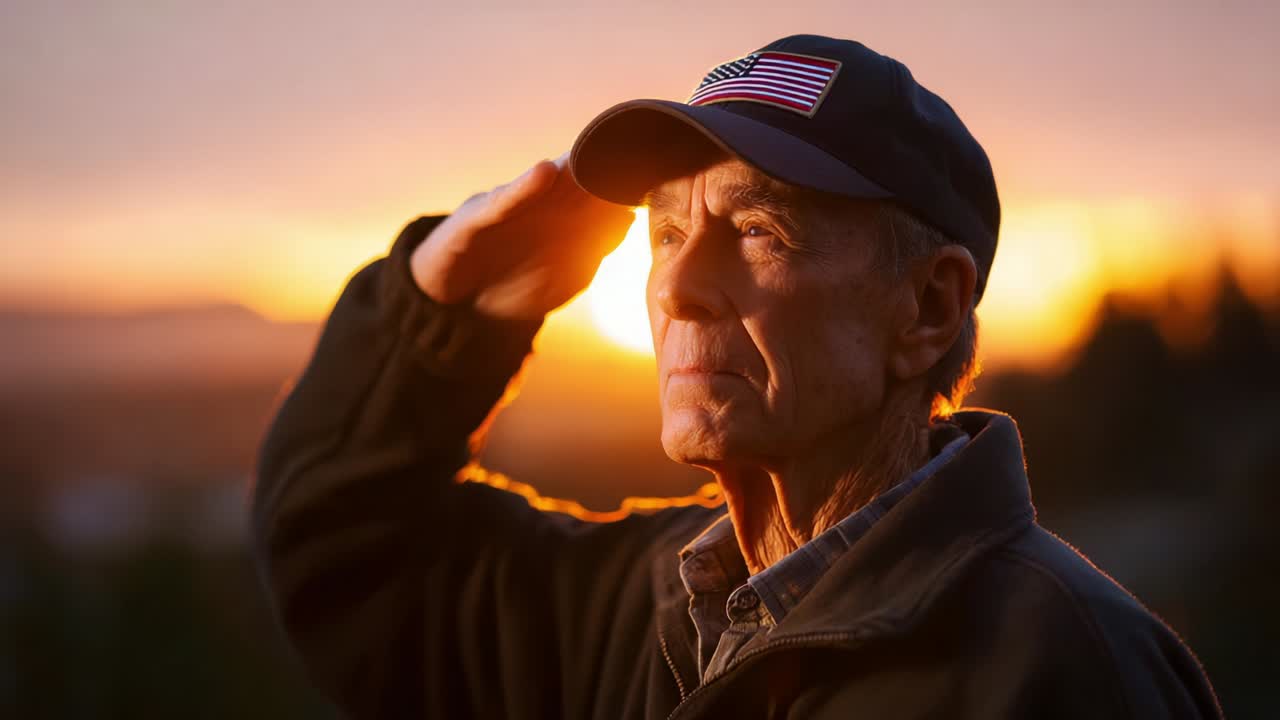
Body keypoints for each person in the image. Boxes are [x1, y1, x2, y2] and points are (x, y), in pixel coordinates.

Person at [252, 35, 1222, 718]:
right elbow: (346, 556)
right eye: (666, 232)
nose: (675, 284)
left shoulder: (1066, 669)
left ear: (925, 309)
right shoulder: (641, 609)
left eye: (756, 231)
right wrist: (439, 314)